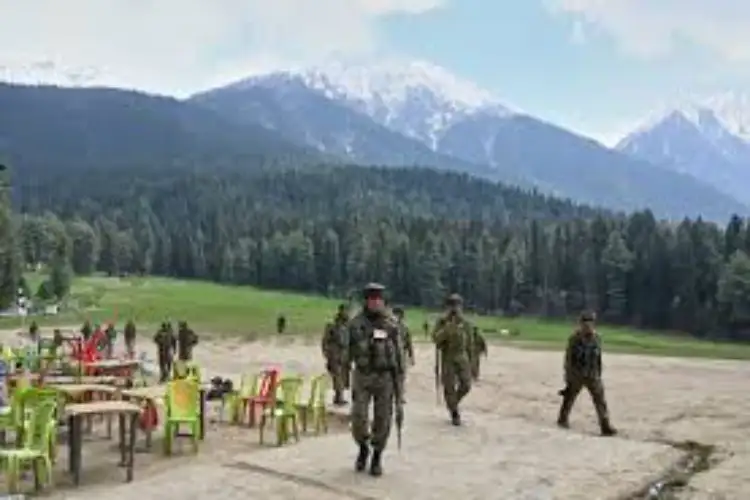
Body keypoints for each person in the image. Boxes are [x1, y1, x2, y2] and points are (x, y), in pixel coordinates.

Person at [347, 283, 404, 477]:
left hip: (384, 377)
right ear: (366, 301)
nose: (375, 302)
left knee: (383, 418)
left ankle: (377, 455)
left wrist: (400, 386)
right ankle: (363, 446)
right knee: (358, 417)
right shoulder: (355, 324)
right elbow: (347, 351)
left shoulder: (391, 325)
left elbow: (399, 356)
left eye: (378, 299)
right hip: (362, 376)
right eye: (372, 299)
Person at [557, 311, 617, 436]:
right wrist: (568, 376)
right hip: (577, 374)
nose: (587, 326)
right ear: (580, 324)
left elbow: (598, 357)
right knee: (569, 398)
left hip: (592, 375)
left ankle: (605, 425)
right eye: (585, 323)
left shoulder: (597, 338)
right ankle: (563, 419)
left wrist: (599, 373)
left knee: (600, 400)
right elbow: (569, 359)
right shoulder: (574, 339)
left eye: (590, 322)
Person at [433, 293, 474, 426]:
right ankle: (454, 413)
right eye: (452, 305)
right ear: (448, 307)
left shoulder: (465, 323)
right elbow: (435, 339)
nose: (455, 308)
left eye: (457, 305)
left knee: (466, 385)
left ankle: (453, 402)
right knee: (449, 386)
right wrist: (447, 329)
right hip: (448, 357)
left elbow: (470, 343)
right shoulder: (442, 322)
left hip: (462, 356)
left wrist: (473, 363)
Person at [321, 304, 350, 406]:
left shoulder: (347, 326)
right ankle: (339, 397)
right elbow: (325, 341)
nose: (346, 313)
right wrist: (326, 353)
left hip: (344, 355)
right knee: (337, 377)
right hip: (335, 355)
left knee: (342, 377)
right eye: (345, 310)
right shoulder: (332, 326)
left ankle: (339, 396)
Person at [391, 306, 414, 404]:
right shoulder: (388, 325)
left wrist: (411, 356)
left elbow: (409, 343)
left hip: (401, 354)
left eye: (399, 314)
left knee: (401, 375)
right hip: (390, 353)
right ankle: (392, 394)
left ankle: (400, 395)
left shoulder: (405, 327)